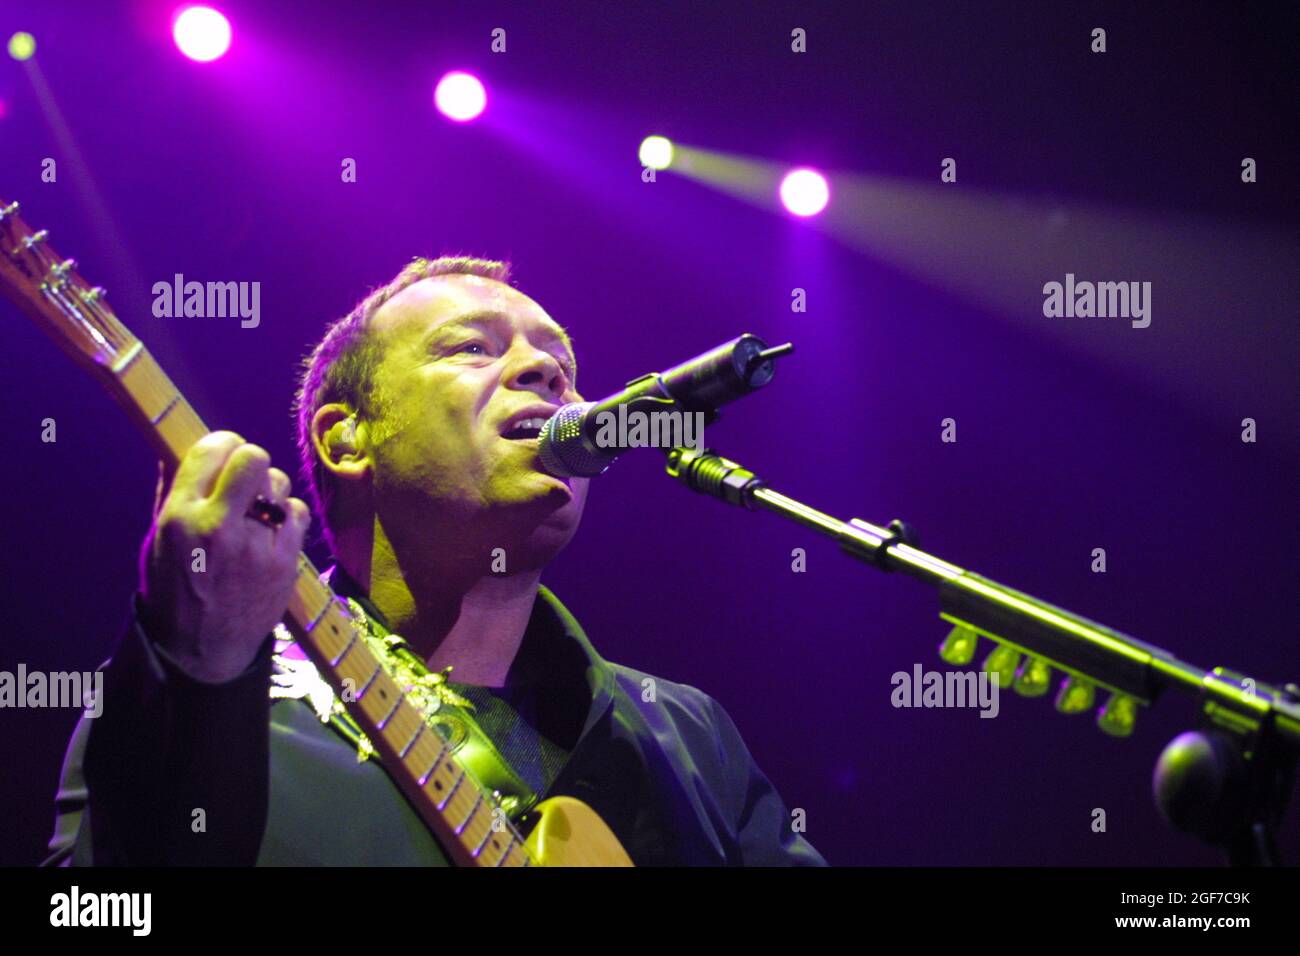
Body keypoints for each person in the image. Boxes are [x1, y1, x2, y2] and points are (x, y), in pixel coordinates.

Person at [43, 256, 826, 866]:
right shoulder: (213, 701)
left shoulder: (682, 732)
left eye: (563, 366)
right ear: (347, 439)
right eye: (474, 347)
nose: (547, 374)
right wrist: (199, 669)